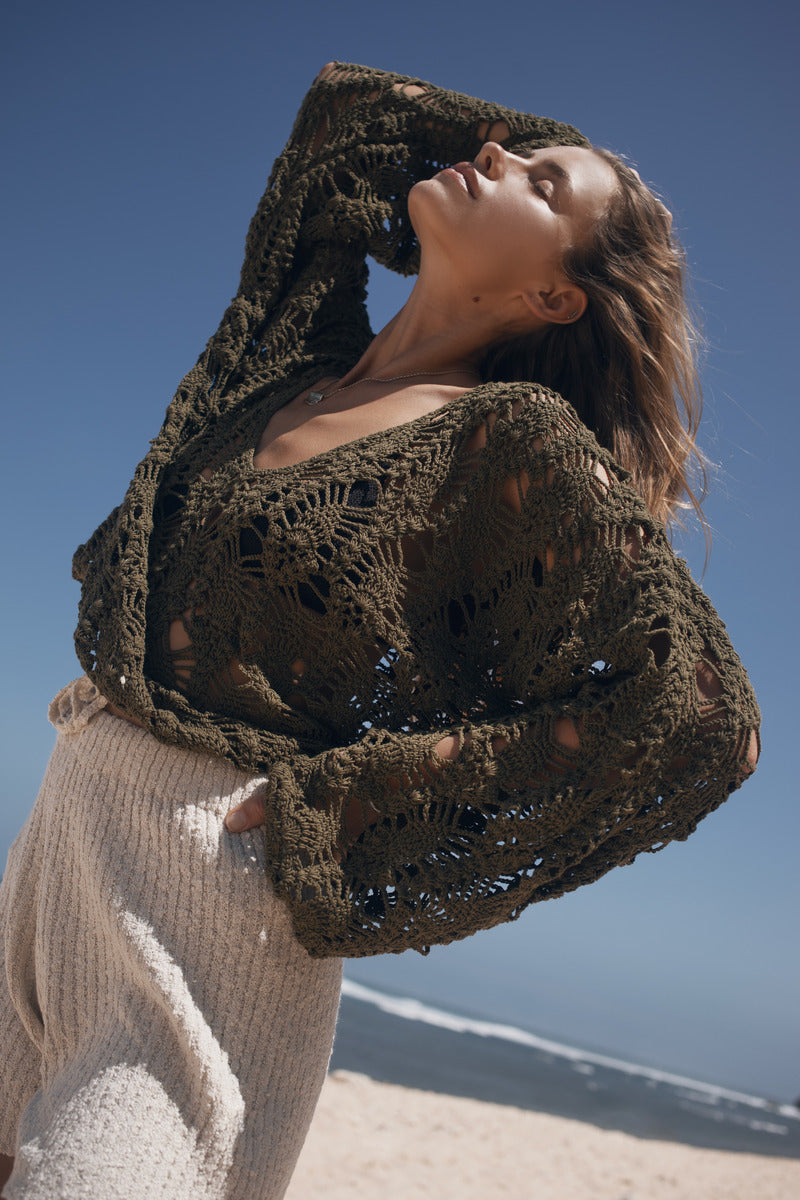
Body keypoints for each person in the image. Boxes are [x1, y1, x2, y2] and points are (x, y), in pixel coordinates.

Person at [0, 62, 759, 1200]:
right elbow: (345, 121)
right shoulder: (282, 366)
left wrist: (363, 803)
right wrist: (519, 160)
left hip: (210, 914)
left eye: (541, 185)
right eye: (502, 150)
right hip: (57, 855)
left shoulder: (507, 445)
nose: (494, 155)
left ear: (559, 298)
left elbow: (699, 717)